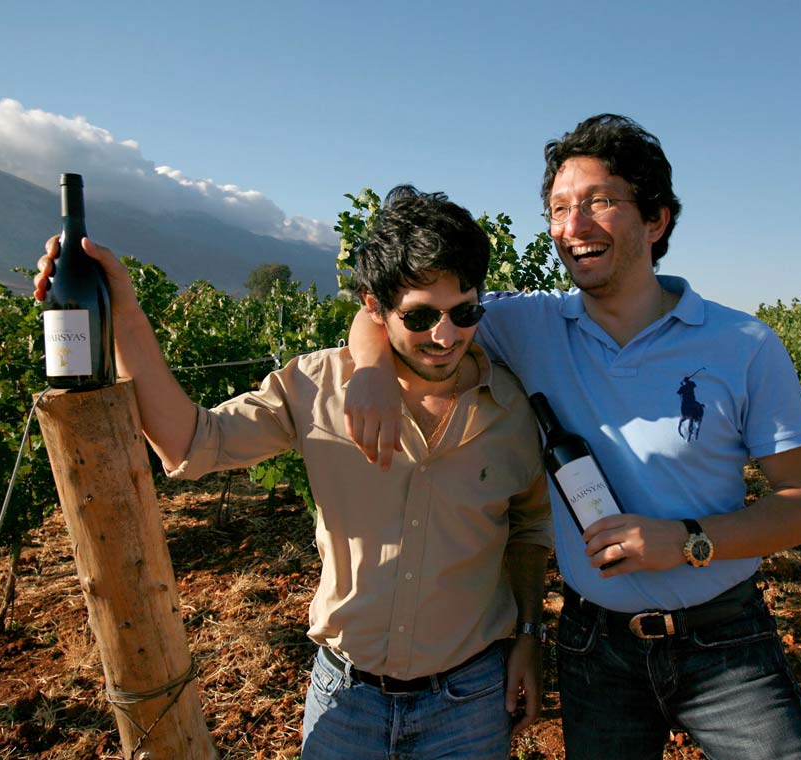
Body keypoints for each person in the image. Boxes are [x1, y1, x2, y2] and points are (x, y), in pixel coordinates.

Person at [344, 116, 801, 759]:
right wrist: (370, 373)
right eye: (559, 208)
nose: (573, 227)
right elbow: (388, 306)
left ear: (656, 219)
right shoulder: (527, 324)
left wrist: (687, 540)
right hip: (592, 646)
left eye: (599, 202)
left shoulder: (743, 345)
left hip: (724, 642)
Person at [33, 186, 553, 760]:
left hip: (470, 702)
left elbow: (528, 529)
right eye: (421, 316)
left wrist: (529, 635)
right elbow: (192, 441)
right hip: (347, 702)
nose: (445, 335)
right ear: (374, 307)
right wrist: (124, 311)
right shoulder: (314, 387)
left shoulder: (512, 409)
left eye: (465, 313)